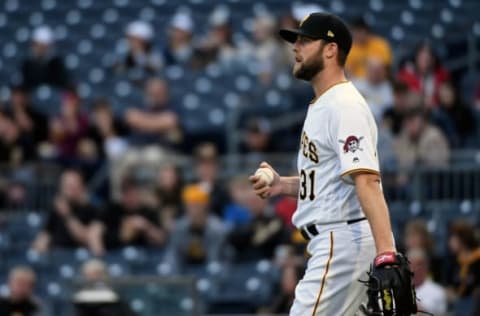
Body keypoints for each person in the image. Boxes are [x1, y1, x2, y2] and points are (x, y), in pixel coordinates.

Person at [250, 12, 400, 315]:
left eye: (305, 40)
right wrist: (283, 185)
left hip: (343, 242)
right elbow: (330, 181)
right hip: (337, 241)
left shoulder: (344, 105)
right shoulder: (326, 103)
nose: (296, 47)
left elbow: (367, 180)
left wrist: (387, 254)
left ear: (330, 49)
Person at [31, 169, 99, 253]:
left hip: (79, 255)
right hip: (55, 255)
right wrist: (37, 249)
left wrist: (67, 215)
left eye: (72, 187)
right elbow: (45, 236)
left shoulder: (91, 210)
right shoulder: (56, 211)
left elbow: (86, 239)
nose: (68, 191)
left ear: (81, 187)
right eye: (66, 186)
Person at [165, 184, 226, 272]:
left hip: (210, 269)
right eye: (190, 205)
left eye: (197, 205)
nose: (193, 209)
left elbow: (216, 259)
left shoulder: (217, 228)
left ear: (205, 205)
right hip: (185, 270)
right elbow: (174, 255)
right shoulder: (179, 227)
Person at [124, 77, 182, 148]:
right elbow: (131, 117)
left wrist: (141, 122)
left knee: (153, 155)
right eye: (152, 91)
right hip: (136, 148)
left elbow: (170, 121)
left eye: (159, 91)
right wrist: (158, 124)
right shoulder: (139, 103)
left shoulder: (172, 105)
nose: (155, 94)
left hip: (163, 150)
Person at [397, 41, 450, 107]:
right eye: (422, 58)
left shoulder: (442, 75)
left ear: (433, 60)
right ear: (415, 58)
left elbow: (448, 99)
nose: (425, 62)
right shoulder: (405, 76)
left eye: (428, 59)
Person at [20, 26, 71, 90]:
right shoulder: (27, 64)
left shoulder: (57, 64)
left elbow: (61, 84)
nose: (40, 49)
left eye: (43, 46)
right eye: (37, 45)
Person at [408, 248, 447, 315]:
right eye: (410, 265)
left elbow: (421, 311)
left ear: (426, 267)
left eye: (417, 265)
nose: (413, 269)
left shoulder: (437, 291)